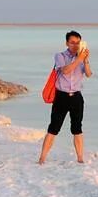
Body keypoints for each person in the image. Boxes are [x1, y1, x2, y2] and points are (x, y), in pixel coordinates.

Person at [37, 30, 92, 165]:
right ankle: (42, 158)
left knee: (77, 128)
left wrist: (85, 61)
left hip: (76, 97)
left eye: (78, 43)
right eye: (72, 42)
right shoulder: (60, 56)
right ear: (67, 43)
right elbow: (65, 71)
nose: (75, 45)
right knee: (54, 128)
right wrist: (78, 59)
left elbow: (89, 74)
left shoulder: (81, 57)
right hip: (61, 97)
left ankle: (80, 158)